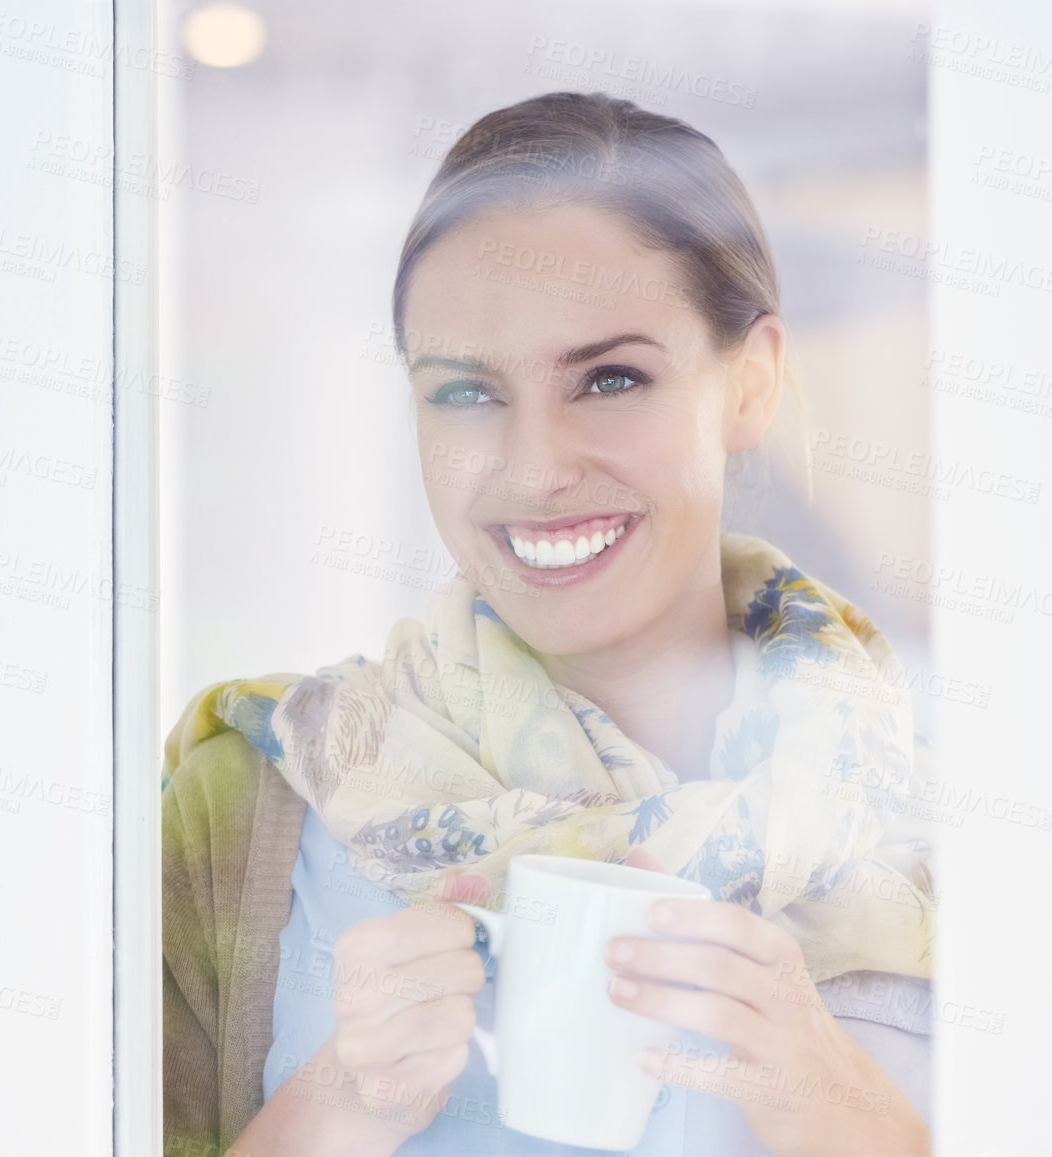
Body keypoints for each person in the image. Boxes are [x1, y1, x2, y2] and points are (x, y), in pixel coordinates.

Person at [162, 91, 938, 1156]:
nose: (534, 468)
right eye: (466, 393)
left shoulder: (956, 816)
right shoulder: (247, 811)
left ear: (750, 381)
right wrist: (337, 1105)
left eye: (610, 378)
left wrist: (842, 1115)